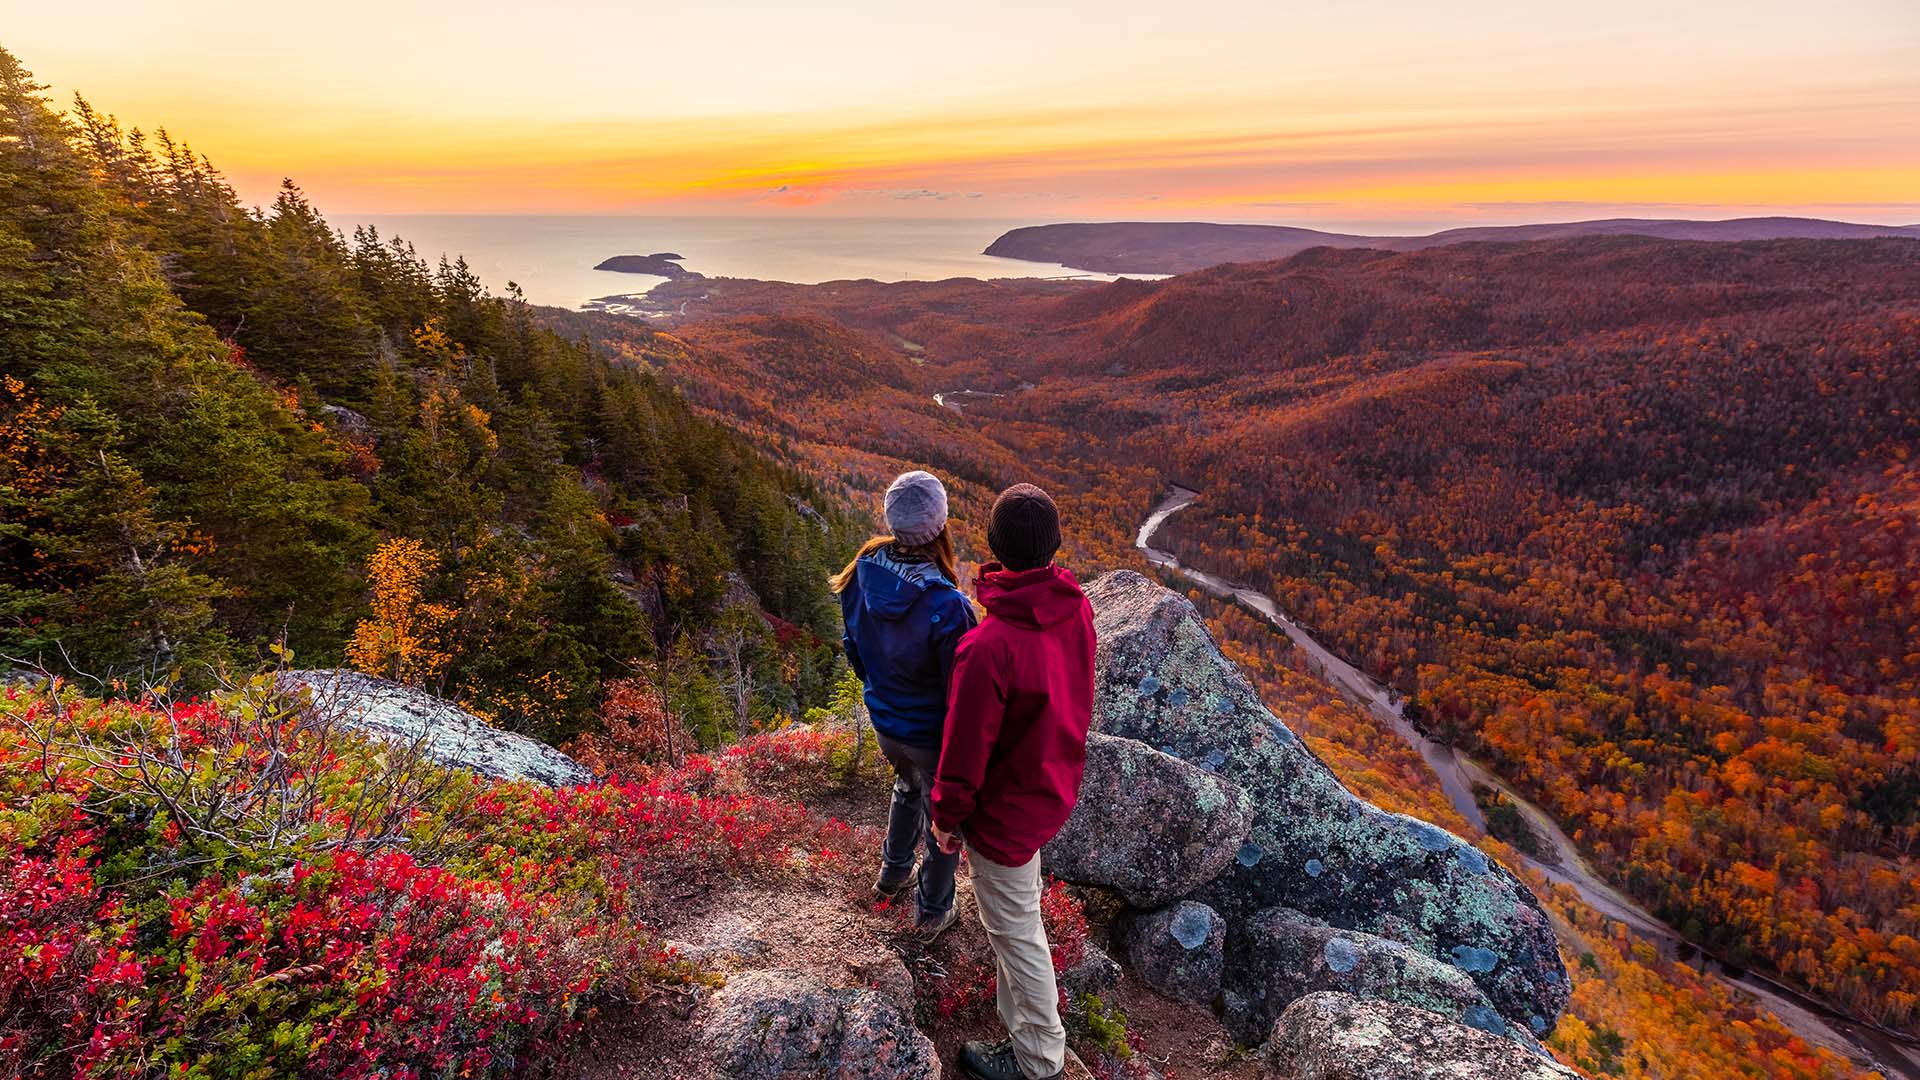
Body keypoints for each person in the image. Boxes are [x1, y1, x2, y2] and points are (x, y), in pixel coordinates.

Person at [931, 483, 1095, 1080]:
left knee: (1016, 932)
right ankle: (1025, 1038)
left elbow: (963, 753)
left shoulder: (988, 647)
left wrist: (948, 819)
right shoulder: (1073, 605)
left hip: (1004, 815)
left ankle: (1038, 1062)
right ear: (1054, 548)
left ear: (996, 549)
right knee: (1013, 920)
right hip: (1049, 787)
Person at [834, 469, 978, 939]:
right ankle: (934, 911)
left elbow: (853, 648)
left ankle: (893, 874)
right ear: (939, 526)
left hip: (885, 722)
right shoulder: (947, 604)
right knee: (942, 817)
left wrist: (882, 693)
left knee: (905, 785)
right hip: (929, 731)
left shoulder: (861, 570)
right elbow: (959, 692)